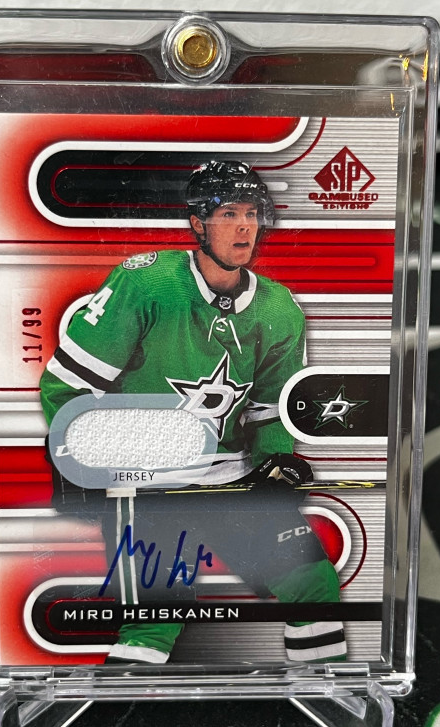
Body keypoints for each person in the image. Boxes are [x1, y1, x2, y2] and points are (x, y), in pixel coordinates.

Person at [39, 160, 346, 665]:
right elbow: (67, 384)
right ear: (198, 223)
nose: (244, 227)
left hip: (232, 479)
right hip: (151, 481)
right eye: (229, 214)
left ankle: (323, 690)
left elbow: (270, 410)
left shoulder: (279, 309)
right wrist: (86, 461)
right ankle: (125, 705)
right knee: (154, 621)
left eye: (252, 214)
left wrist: (276, 463)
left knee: (313, 585)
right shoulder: (149, 284)